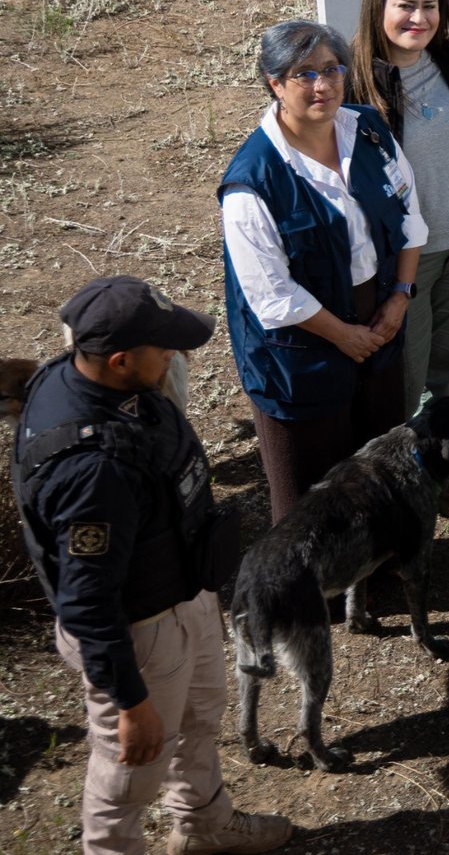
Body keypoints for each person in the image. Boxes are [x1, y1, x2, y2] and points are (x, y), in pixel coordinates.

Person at [12, 277, 289, 855]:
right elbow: (88, 603)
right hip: (140, 633)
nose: (175, 356)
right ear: (118, 360)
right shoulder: (93, 471)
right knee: (130, 770)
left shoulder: (97, 380)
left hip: (181, 594)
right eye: (163, 347)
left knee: (200, 720)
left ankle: (203, 828)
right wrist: (131, 703)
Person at [220, 20, 425, 522]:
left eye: (332, 69)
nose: (323, 86)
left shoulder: (368, 131)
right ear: (274, 83)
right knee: (311, 492)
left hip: (376, 320)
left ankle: (375, 573)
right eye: (303, 74)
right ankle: (314, 598)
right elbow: (272, 296)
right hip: (301, 347)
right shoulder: (253, 180)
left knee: (378, 463)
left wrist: (400, 295)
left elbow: (410, 217)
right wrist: (344, 336)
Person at [347, 0, 449, 518]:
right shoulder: (355, 83)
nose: (419, 18)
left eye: (430, 6)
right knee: (403, 379)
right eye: (405, 5)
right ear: (377, 8)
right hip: (404, 262)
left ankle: (442, 469)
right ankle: (401, 481)